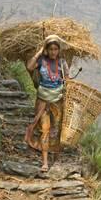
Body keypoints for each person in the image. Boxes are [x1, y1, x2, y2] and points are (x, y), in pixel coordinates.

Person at [24, 34, 70, 172]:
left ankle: (56, 159)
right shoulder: (41, 61)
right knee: (44, 129)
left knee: (57, 130)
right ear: (47, 49)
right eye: (50, 49)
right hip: (43, 100)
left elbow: (68, 82)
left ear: (58, 50)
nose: (53, 52)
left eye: (56, 49)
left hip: (58, 100)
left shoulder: (62, 63)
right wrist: (39, 52)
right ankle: (44, 162)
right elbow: (30, 66)